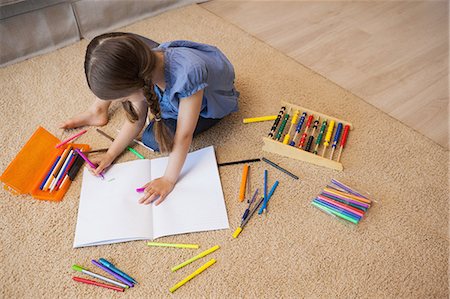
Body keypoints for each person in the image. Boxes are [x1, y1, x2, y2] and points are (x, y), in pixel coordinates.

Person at [60, 32, 239, 205]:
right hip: (169, 83)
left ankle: (105, 108)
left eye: (124, 99)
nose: (123, 103)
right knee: (108, 60)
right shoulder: (144, 68)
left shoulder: (187, 75)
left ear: (138, 85)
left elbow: (185, 134)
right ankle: (97, 111)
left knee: (152, 138)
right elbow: (136, 119)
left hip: (211, 101)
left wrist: (168, 179)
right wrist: (110, 154)